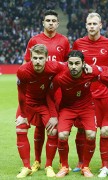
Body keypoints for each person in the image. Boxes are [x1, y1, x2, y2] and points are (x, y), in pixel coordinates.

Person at [22, 10, 70, 173]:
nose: (50, 23)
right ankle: (37, 161)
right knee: (39, 126)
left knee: (53, 126)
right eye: (47, 20)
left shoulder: (64, 41)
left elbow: (67, 65)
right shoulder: (34, 40)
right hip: (37, 90)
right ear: (43, 23)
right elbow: (26, 64)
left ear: (57, 23)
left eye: (53, 20)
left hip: (56, 90)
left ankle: (56, 162)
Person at [71, 12, 108, 172]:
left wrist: (96, 69)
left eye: (95, 24)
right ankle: (81, 162)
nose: (92, 27)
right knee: (81, 130)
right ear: (86, 26)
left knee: (105, 130)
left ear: (101, 25)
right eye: (89, 24)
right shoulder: (78, 43)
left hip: (104, 94)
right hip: (84, 95)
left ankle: (105, 164)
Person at [15, 44, 65, 178]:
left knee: (53, 130)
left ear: (46, 58)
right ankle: (26, 167)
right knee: (20, 128)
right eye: (35, 58)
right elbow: (21, 94)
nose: (37, 61)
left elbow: (69, 66)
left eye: (40, 58)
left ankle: (48, 165)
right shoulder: (23, 71)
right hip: (27, 103)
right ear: (30, 58)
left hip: (44, 103)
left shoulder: (54, 67)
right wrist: (23, 115)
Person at [50, 50, 98, 177]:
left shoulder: (90, 73)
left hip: (87, 108)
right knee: (62, 136)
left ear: (83, 63)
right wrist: (53, 114)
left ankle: (85, 167)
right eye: (71, 63)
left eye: (77, 63)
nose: (74, 66)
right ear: (67, 64)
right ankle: (64, 167)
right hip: (68, 108)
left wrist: (92, 68)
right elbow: (50, 94)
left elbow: (105, 71)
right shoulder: (60, 78)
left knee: (91, 135)